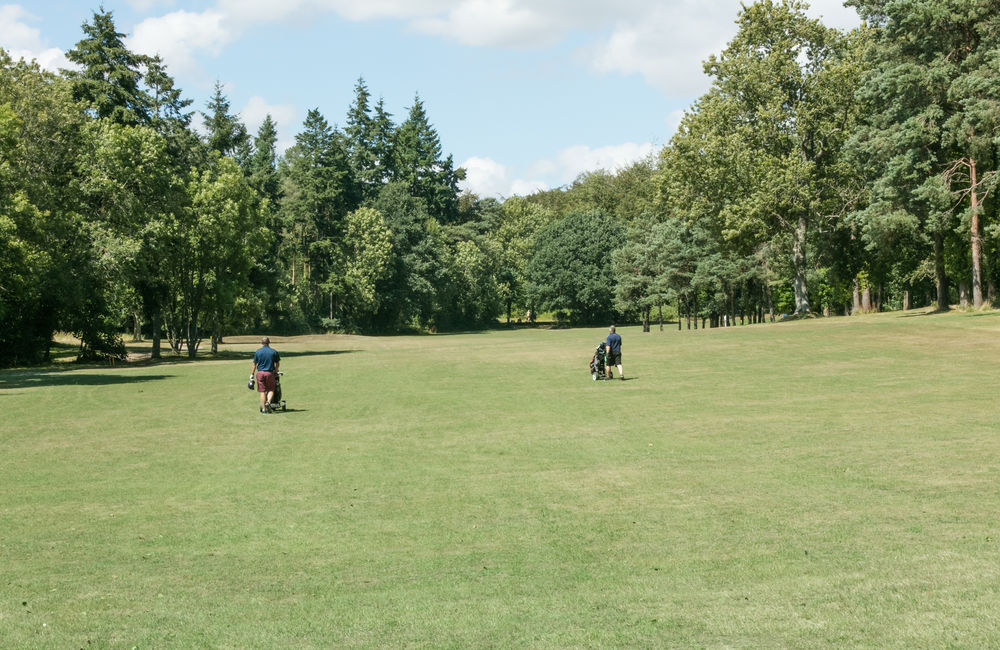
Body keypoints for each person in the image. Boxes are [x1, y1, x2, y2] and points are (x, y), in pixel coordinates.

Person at [251, 336, 280, 413]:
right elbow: (277, 364)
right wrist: (275, 371)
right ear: (269, 342)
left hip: (260, 373)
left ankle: (263, 409)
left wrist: (252, 374)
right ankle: (268, 402)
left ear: (261, 343)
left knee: (262, 391)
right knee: (271, 389)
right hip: (269, 373)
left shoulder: (258, 352)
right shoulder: (274, 352)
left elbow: (254, 364)